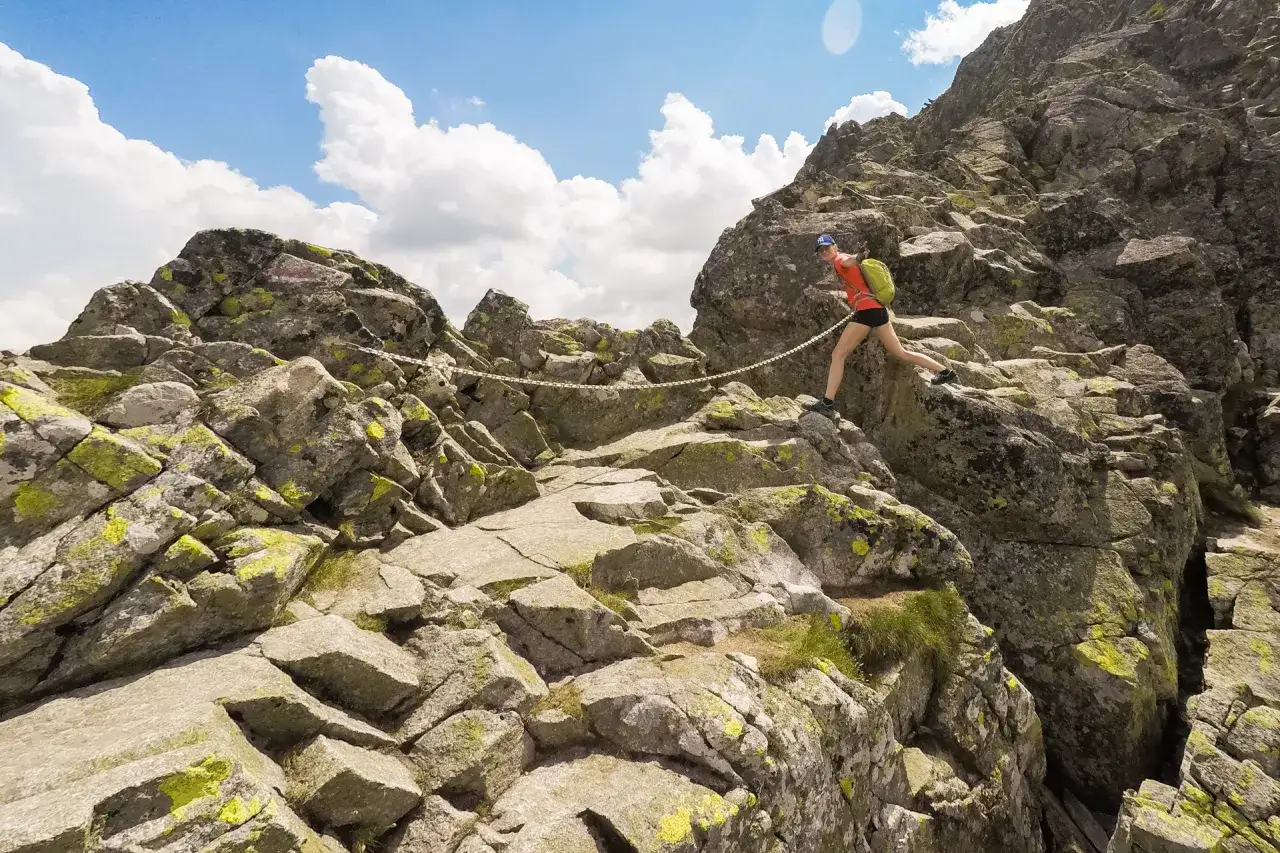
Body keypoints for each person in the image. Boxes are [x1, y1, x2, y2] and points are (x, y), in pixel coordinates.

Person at [803, 233, 957, 415]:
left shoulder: (839, 260)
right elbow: (856, 279)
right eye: (821, 251)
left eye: (827, 248)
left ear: (835, 247)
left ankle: (827, 403)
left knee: (838, 354)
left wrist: (858, 257)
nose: (825, 252)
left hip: (867, 312)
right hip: (878, 309)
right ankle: (946, 372)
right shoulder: (841, 260)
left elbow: (849, 261)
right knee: (900, 352)